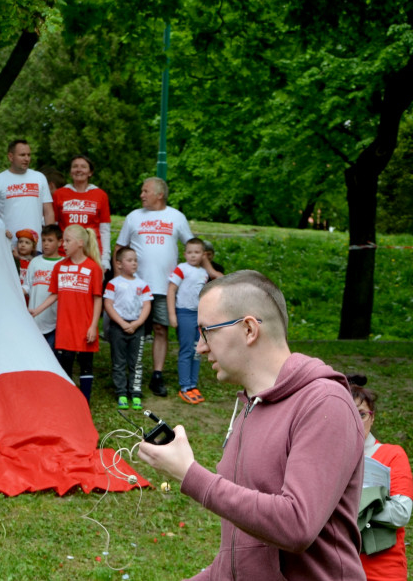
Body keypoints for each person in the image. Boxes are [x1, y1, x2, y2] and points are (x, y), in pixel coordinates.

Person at [137, 270, 365, 580]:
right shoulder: (249, 406)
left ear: (248, 329)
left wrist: (190, 474)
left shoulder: (324, 402)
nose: (199, 347)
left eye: (206, 331)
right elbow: (241, 553)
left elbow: (296, 525)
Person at [114, 177, 193, 397]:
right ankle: (129, 375)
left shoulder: (176, 217)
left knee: (161, 329)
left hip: (164, 286)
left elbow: (192, 246)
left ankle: (156, 375)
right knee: (131, 329)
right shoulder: (133, 217)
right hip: (134, 286)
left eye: (145, 191)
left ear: (159, 194)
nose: (141, 195)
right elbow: (120, 247)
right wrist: (117, 277)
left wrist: (206, 272)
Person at [29, 225, 103, 404]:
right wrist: (36, 310)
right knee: (66, 364)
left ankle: (85, 402)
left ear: (80, 243)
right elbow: (55, 294)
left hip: (85, 327)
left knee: (86, 366)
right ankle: (69, 402)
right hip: (65, 327)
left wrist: (93, 326)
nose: (64, 245)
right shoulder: (60, 267)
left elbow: (97, 299)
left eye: (68, 241)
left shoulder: (93, 268)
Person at [349, 374, 411, 581]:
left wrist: (354, 504)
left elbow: (401, 512)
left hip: (383, 570)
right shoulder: (327, 457)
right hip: (338, 568)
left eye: (362, 414)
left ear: (372, 417)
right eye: (348, 413)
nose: (356, 421)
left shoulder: (392, 454)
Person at [168, 238, 224, 404]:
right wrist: (172, 315)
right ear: (185, 254)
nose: (193, 256)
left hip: (199, 316)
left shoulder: (205, 272)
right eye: (190, 252)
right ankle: (185, 386)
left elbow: (221, 279)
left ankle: (193, 384)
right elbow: (171, 290)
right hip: (184, 313)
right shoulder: (181, 269)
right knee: (186, 350)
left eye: (197, 252)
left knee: (197, 350)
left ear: (204, 255)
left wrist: (207, 265)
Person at [103, 248, 152, 411]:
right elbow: (108, 305)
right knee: (119, 361)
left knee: (136, 362)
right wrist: (123, 324)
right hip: (118, 327)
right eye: (129, 260)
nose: (134, 263)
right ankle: (121, 393)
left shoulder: (142, 284)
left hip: (137, 327)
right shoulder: (113, 283)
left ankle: (135, 392)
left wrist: (137, 323)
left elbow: (146, 305)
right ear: (119, 263)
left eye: (135, 260)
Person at [0, 139, 55, 247]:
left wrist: (50, 240)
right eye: (22, 155)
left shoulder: (39, 178)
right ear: (10, 157)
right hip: (7, 244)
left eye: (29, 155)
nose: (27, 159)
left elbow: (48, 212)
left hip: (36, 245)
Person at [51, 155, 112, 271]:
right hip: (65, 252)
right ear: (70, 172)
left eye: (83, 167)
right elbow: (53, 227)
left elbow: (105, 229)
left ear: (90, 172)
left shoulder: (100, 195)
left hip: (92, 252)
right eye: (75, 167)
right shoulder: (59, 194)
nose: (79, 170)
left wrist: (105, 259)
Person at [23, 224, 63, 350]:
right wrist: (17, 292)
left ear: (60, 242)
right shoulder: (35, 262)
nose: (46, 244)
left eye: (50, 240)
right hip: (34, 319)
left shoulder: (63, 264)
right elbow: (27, 285)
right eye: (44, 240)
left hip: (54, 321)